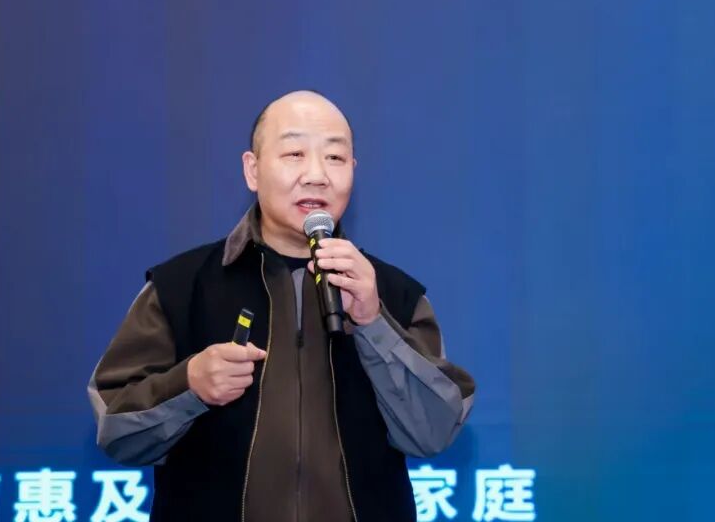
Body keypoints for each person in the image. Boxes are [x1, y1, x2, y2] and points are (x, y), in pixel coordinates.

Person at [88, 90, 476, 522]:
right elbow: (116, 431)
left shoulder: (394, 293)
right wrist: (189, 384)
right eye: (294, 154)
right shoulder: (182, 287)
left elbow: (434, 433)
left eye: (334, 157)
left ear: (353, 169)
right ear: (252, 170)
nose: (316, 175)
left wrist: (372, 323)